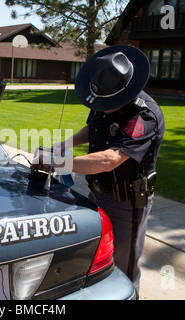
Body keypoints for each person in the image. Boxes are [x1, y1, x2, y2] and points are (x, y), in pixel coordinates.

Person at [34, 45, 165, 297]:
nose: (101, 106)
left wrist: (55, 163)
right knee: (97, 259)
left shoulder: (144, 117)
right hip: (97, 192)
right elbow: (93, 127)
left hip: (127, 202)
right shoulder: (105, 96)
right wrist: (66, 144)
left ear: (125, 92)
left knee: (124, 267)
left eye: (108, 102)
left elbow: (110, 159)